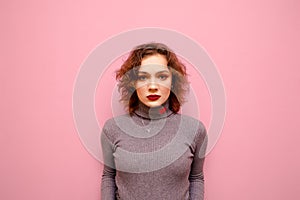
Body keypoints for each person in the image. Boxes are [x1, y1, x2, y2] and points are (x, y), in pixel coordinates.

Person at [101, 42, 208, 200]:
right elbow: (109, 176)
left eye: (162, 76)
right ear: (133, 83)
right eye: (143, 77)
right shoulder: (112, 129)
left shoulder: (194, 130)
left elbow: (196, 178)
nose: (153, 86)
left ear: (172, 82)